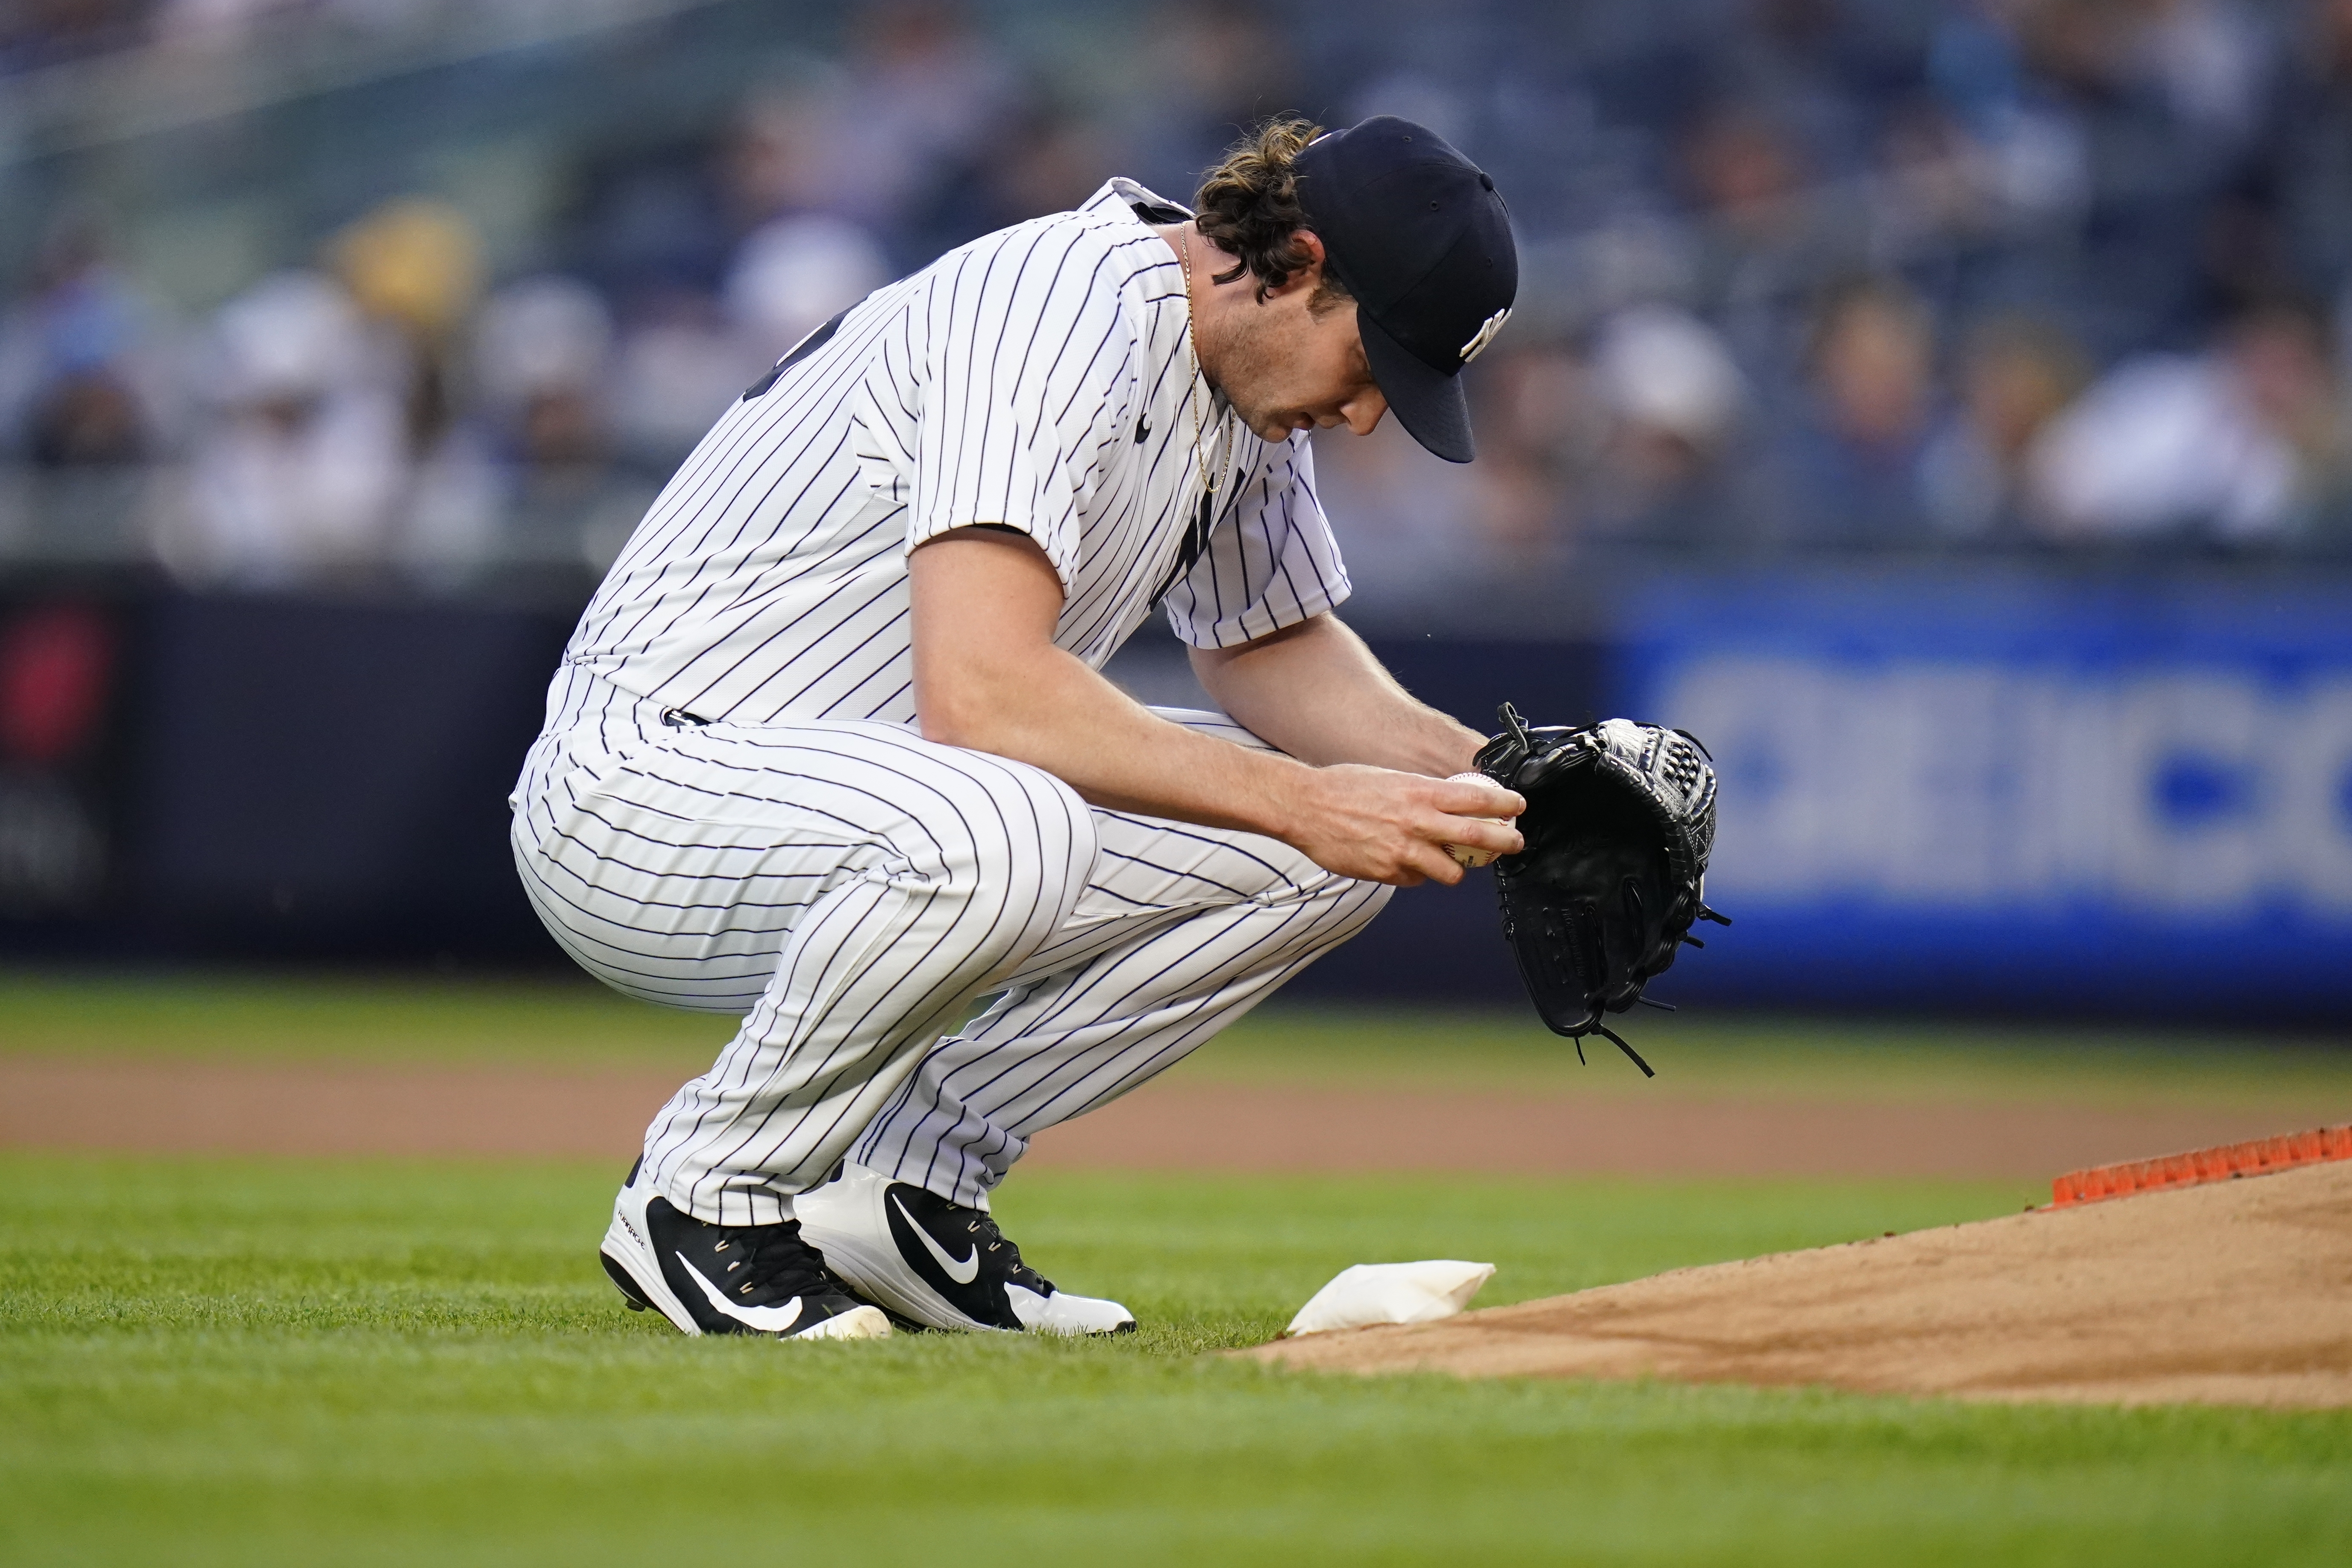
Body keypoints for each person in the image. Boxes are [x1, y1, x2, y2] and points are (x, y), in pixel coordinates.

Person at [511, 117, 1526, 1342]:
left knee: (1336, 855)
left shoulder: (1242, 374)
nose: (1369, 416)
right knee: (1020, 818)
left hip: (871, 807)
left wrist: (1497, 782)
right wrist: (1317, 796)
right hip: (644, 791)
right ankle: (704, 1192)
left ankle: (903, 1193)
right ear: (1297, 262)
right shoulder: (1063, 308)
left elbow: (1267, 648)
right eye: (1377, 363)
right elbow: (986, 696)